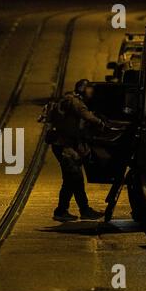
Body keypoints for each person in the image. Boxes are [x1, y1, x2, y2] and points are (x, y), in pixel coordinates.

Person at [49, 79, 106, 222]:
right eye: (89, 89)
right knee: (76, 178)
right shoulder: (75, 102)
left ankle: (61, 211)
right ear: (82, 89)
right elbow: (87, 116)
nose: (91, 92)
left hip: (63, 145)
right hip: (65, 147)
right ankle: (84, 210)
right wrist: (101, 123)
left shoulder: (68, 99)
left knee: (69, 180)